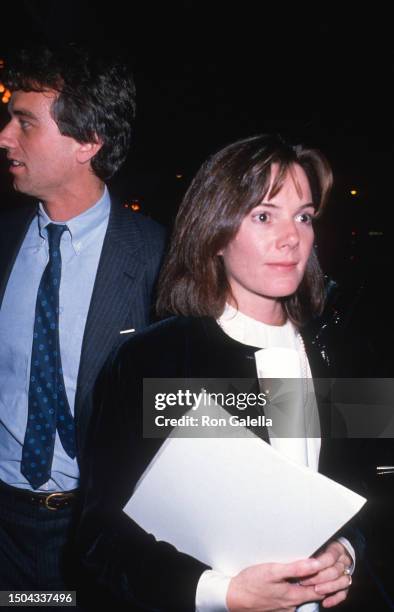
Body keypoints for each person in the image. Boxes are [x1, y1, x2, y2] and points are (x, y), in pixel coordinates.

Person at [78, 135, 357, 611]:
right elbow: (99, 538)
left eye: (303, 216)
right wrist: (222, 593)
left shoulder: (342, 350)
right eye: (264, 215)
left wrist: (346, 553)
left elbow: (367, 485)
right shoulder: (154, 361)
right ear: (216, 231)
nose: (292, 237)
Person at [0, 43, 165, 594]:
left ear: (88, 142)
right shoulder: (2, 239)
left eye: (24, 123)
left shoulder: (157, 260)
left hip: (97, 533)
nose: (4, 137)